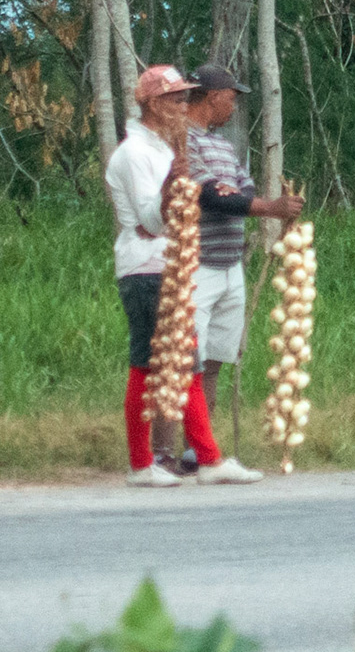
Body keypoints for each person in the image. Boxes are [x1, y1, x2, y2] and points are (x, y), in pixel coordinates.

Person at [104, 64, 263, 487]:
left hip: (170, 263)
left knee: (177, 362)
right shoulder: (136, 153)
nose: (183, 104)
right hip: (147, 265)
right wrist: (175, 189)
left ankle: (191, 459)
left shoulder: (161, 146)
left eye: (185, 97)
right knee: (153, 363)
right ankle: (159, 461)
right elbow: (151, 222)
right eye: (176, 98)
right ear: (154, 104)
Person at [183, 64, 304, 433]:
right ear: (213, 96)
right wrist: (268, 208)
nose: (233, 107)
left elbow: (242, 188)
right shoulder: (183, 140)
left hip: (229, 264)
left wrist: (250, 200)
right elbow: (208, 194)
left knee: (218, 357)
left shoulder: (222, 144)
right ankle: (184, 445)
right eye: (232, 99)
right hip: (197, 265)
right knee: (191, 358)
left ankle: (202, 445)